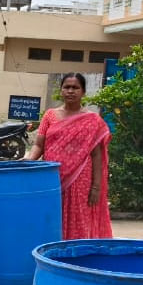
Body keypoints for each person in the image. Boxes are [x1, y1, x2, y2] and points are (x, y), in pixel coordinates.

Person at [22, 72, 112, 239]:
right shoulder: (50, 115)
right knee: (51, 218)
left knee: (78, 218)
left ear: (83, 92)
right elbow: (39, 145)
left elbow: (97, 156)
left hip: (80, 181)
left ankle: (75, 257)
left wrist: (96, 187)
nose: (71, 91)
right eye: (67, 87)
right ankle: (52, 258)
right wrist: (28, 161)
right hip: (51, 178)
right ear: (61, 90)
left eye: (76, 87)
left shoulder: (92, 120)